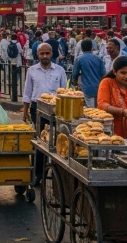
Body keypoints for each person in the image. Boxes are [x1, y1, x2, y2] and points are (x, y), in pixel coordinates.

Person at [22, 43, 67, 183]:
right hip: (38, 109)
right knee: (40, 142)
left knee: (59, 143)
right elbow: (27, 92)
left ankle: (57, 176)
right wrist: (25, 110)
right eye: (42, 54)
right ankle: (38, 174)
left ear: (52, 54)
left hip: (57, 110)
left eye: (47, 53)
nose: (45, 56)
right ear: (37, 55)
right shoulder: (32, 70)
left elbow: (65, 92)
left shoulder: (60, 70)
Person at [71, 39, 105, 107]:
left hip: (87, 89)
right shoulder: (98, 58)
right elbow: (104, 74)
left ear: (82, 49)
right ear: (91, 47)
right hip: (99, 88)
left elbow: (74, 75)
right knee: (99, 110)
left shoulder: (79, 59)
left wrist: (76, 84)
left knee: (90, 111)